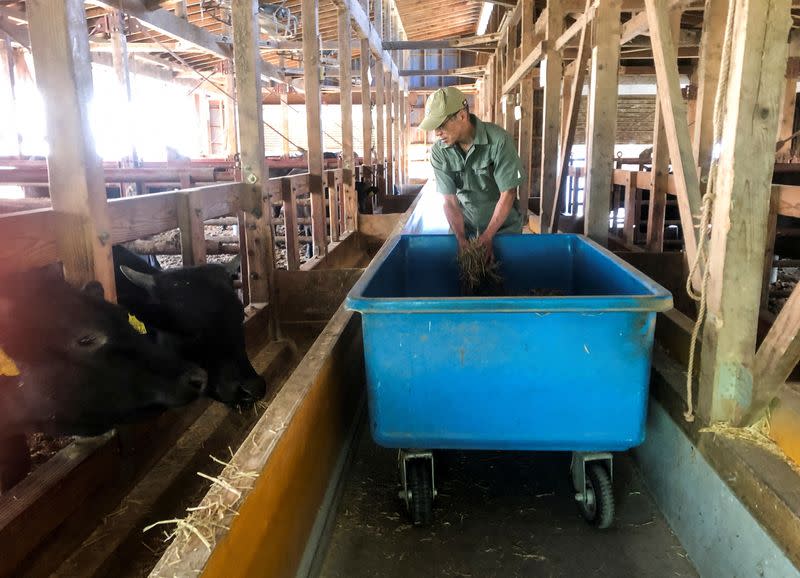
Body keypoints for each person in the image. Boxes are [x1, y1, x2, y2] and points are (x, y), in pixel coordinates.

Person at [419, 86, 525, 261]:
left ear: (462, 115)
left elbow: (508, 193)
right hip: (466, 231)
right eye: (434, 127)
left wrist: (488, 235)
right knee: (466, 283)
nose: (437, 133)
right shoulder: (440, 152)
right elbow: (450, 201)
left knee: (505, 284)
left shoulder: (499, 141)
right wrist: (460, 239)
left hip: (503, 231)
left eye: (441, 125)